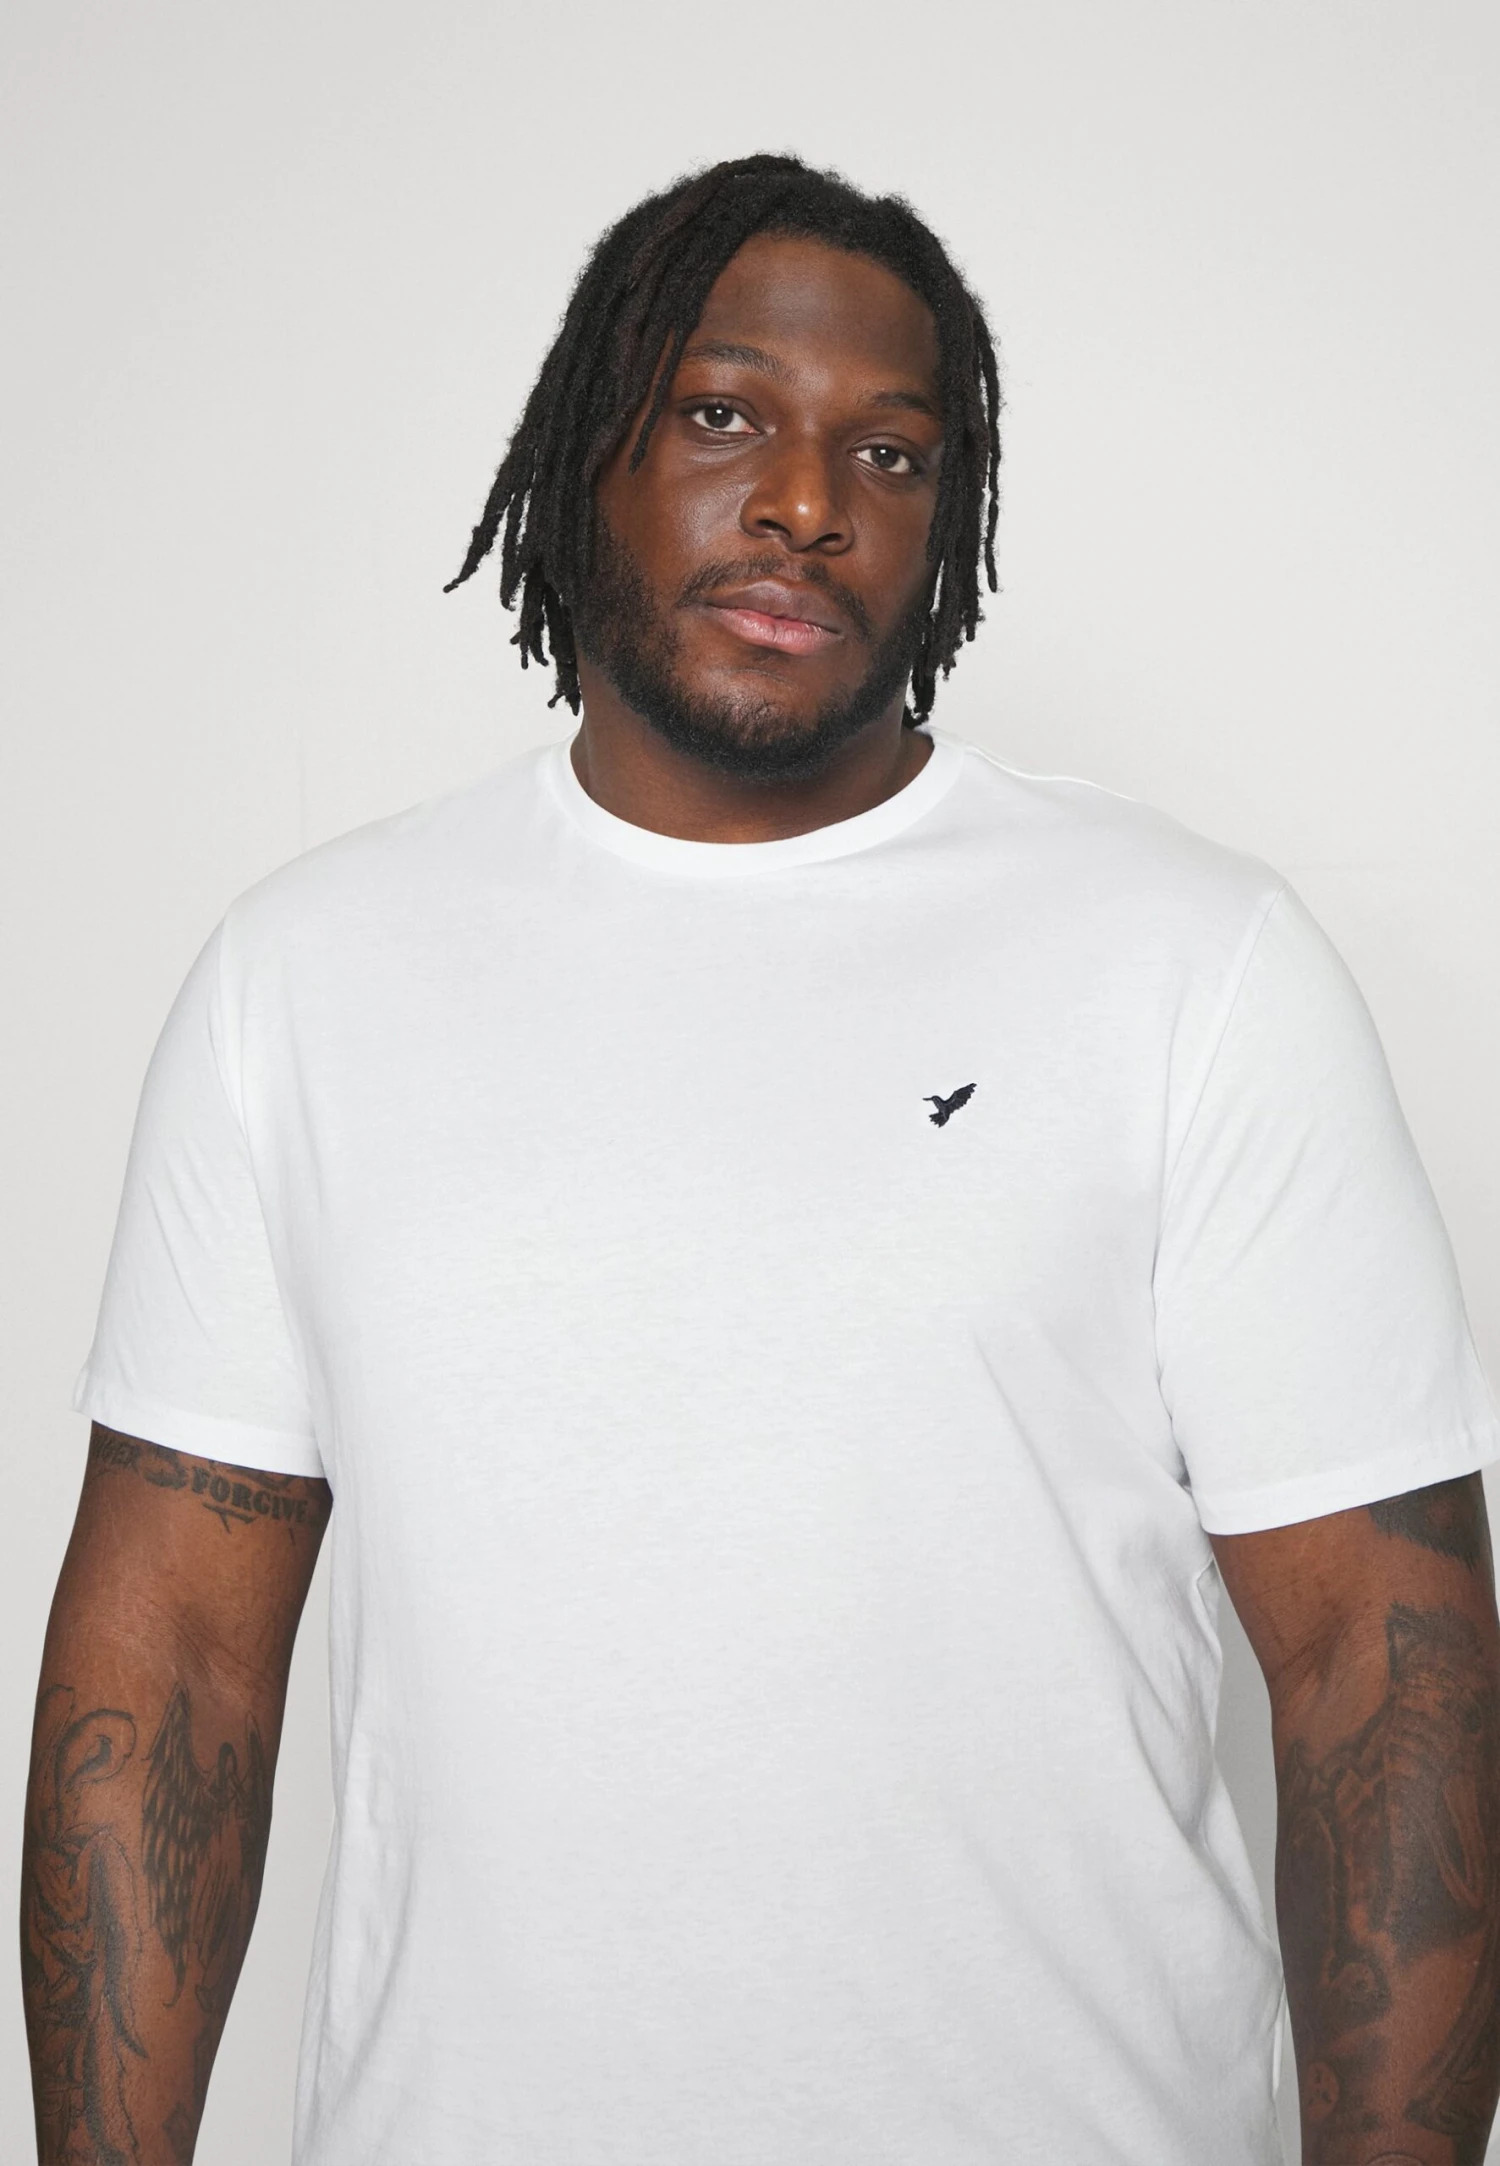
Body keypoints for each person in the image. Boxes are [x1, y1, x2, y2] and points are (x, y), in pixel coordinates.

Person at [22, 151, 1500, 2166]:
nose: (810, 499)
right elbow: (175, 1674)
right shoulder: (305, 983)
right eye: (726, 414)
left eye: (892, 452)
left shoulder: (1194, 964)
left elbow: (1381, 1678)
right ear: (588, 452)